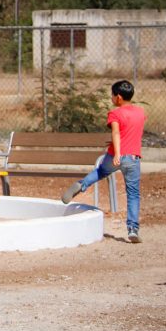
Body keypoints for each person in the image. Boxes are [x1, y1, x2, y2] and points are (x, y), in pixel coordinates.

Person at [62, 79, 147, 243]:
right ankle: (133, 230)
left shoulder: (115, 113)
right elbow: (131, 132)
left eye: (113, 95)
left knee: (100, 172)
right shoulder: (141, 112)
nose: (111, 98)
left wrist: (117, 153)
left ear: (119, 98)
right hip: (133, 158)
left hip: (116, 155)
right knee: (133, 194)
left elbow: (116, 133)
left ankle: (81, 185)